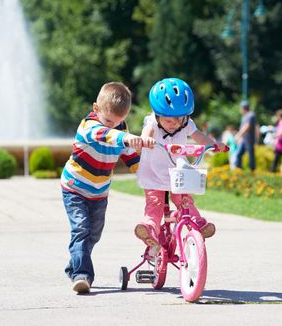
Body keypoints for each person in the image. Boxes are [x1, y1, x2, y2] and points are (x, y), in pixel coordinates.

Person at [61, 82, 145, 294]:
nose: (113, 126)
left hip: (100, 192)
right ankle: (82, 276)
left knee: (94, 234)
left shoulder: (120, 128)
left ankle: (75, 265)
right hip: (75, 188)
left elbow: (130, 156)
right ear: (96, 109)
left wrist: (145, 175)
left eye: (119, 122)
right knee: (81, 229)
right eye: (108, 121)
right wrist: (124, 137)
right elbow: (105, 135)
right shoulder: (89, 127)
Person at [134, 78, 227, 248]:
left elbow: (199, 136)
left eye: (180, 119)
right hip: (154, 171)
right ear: (158, 115)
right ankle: (149, 228)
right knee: (155, 202)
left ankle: (196, 222)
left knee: (185, 199)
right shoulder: (152, 121)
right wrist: (145, 139)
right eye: (169, 120)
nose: (175, 124)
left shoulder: (186, 124)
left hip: (177, 170)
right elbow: (147, 132)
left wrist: (213, 145)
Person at [234, 100, 259, 171]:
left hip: (249, 140)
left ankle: (252, 171)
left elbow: (246, 127)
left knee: (251, 156)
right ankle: (238, 170)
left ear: (243, 108)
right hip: (244, 140)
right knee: (238, 154)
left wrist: (238, 135)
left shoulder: (251, 115)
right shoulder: (244, 116)